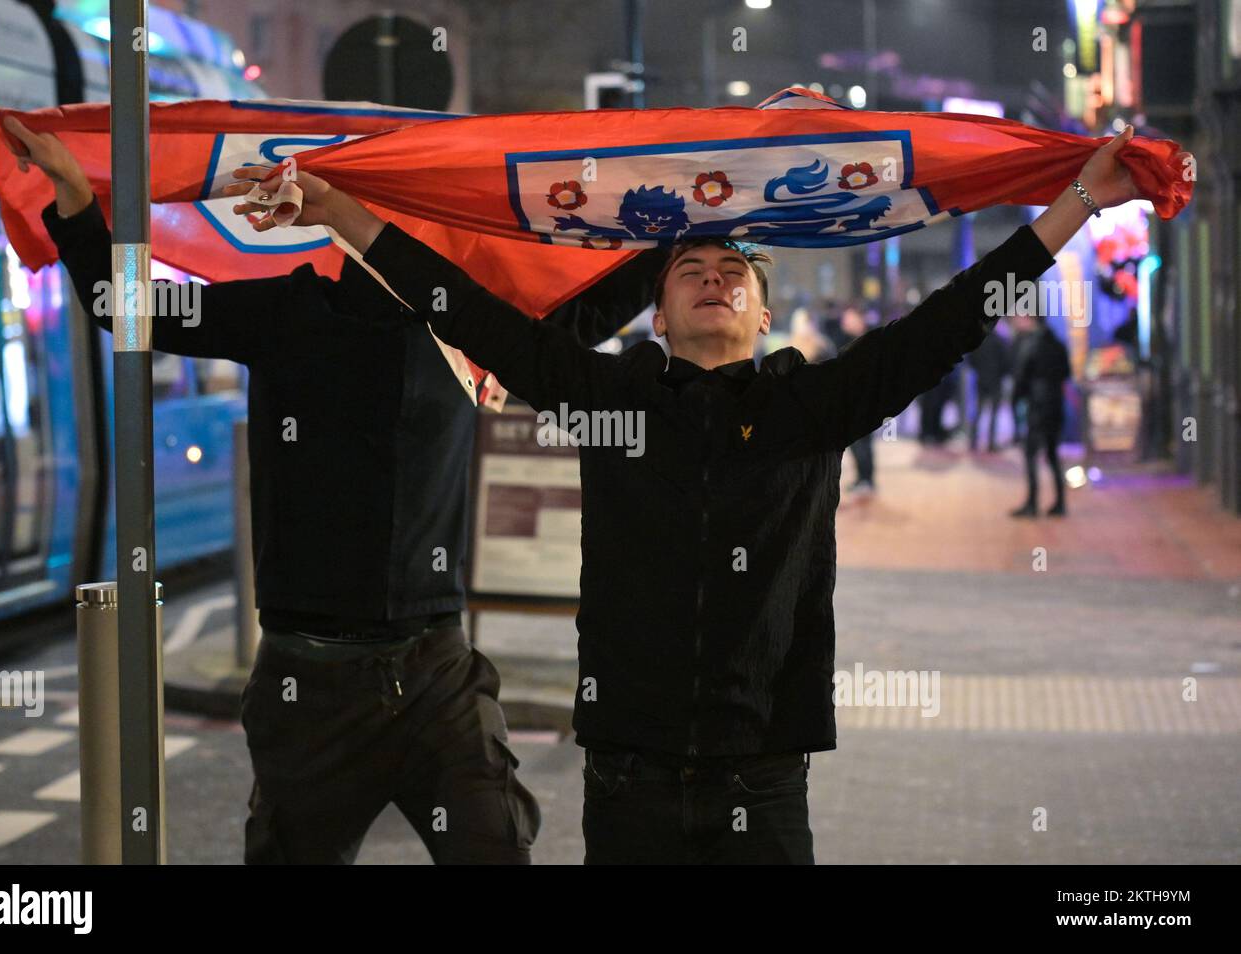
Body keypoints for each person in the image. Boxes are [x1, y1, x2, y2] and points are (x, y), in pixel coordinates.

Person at [238, 125, 1175, 864]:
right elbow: (465, 311)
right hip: (626, 782)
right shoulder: (611, 401)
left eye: (735, 274)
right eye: (692, 269)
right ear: (658, 309)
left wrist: (1082, 202)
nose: (715, 278)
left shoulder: (813, 407)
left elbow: (954, 318)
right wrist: (340, 211)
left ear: (765, 315)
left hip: (762, 785)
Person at [2, 116, 665, 865]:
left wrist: (717, 198)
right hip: (306, 678)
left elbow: (590, 315)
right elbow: (127, 306)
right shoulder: (284, 308)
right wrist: (72, 193)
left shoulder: (460, 321)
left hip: (435, 669)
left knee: (492, 848)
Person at [1009, 312, 1073, 517]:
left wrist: (1016, 401)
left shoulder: (1029, 345)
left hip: (1037, 406)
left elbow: (1021, 377)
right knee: (1053, 455)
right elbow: (1066, 372)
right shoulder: (1057, 343)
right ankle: (1060, 503)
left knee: (1031, 454)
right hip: (1055, 404)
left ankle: (1032, 503)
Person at [825, 304, 877, 493]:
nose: (845, 322)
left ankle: (866, 479)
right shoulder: (843, 340)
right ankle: (864, 478)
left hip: (863, 398)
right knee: (857, 442)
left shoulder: (866, 341)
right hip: (852, 397)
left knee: (861, 441)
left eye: (849, 318)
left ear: (859, 320)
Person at [967, 326, 1010, 452]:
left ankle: (973, 441)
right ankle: (991, 443)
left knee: (978, 412)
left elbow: (972, 360)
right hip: (995, 381)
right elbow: (1006, 363)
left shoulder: (979, 341)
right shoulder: (1000, 342)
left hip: (981, 380)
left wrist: (980, 371)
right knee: (993, 414)